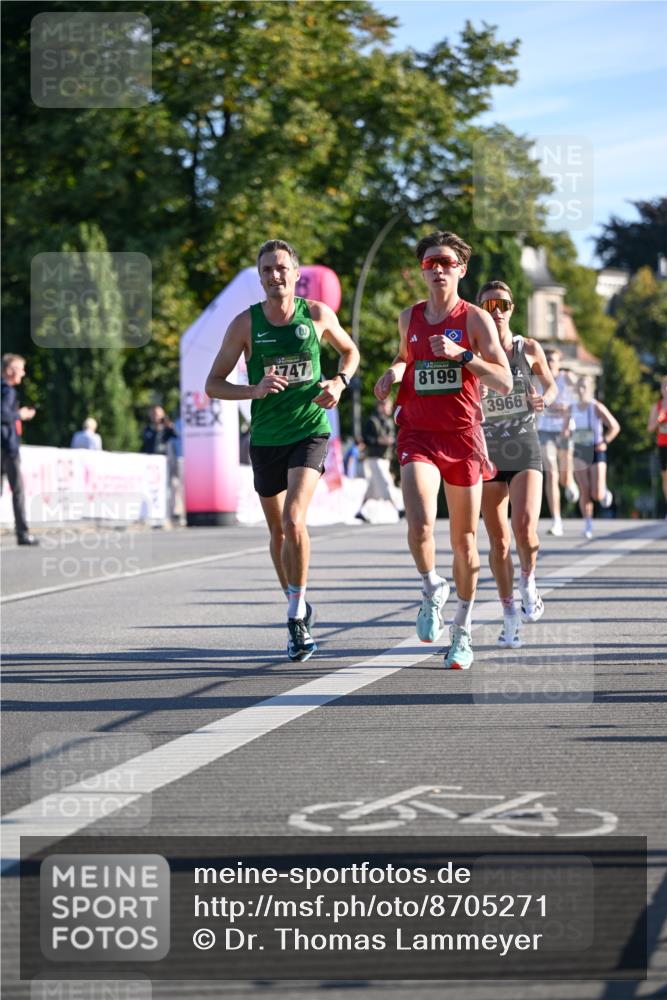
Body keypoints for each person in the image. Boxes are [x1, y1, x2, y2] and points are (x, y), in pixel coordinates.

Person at [205, 239, 359, 662]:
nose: (275, 276)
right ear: (261, 278)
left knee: (295, 520)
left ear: (295, 273)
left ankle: (295, 616)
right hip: (266, 438)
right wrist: (253, 389)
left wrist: (339, 382)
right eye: (267, 270)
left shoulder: (316, 315)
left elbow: (350, 351)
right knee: (277, 532)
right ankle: (297, 599)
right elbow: (212, 384)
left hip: (309, 430)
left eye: (281, 269)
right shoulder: (244, 324)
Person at [374, 230, 512, 670]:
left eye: (446, 262)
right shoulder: (408, 318)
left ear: (461, 269)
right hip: (418, 433)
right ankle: (431, 586)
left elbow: (504, 380)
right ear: (422, 270)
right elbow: (404, 356)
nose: (437, 269)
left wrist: (461, 355)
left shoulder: (475, 319)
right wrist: (394, 373)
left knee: (465, 540)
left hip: (463, 437)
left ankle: (463, 630)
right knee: (418, 526)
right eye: (430, 262)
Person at [477, 281, 557, 649]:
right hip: (488, 452)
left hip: (524, 447)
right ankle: (509, 615)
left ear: (512, 309)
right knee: (499, 542)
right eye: (489, 304)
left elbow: (551, 385)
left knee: (525, 531)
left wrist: (544, 397)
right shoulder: (472, 351)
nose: (497, 310)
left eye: (503, 304)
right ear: (479, 308)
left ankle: (529, 581)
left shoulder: (528, 348)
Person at [571, 375, 620, 539]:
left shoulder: (596, 407)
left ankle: (604, 492)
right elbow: (563, 429)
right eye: (579, 386)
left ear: (591, 389)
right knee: (584, 489)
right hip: (579, 449)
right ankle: (588, 523)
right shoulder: (572, 408)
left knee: (596, 494)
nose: (581, 390)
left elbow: (614, 426)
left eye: (584, 387)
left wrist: (605, 441)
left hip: (596, 448)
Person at [537, 348, 579, 536]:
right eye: (547, 359)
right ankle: (557, 520)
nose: (550, 362)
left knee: (564, 477)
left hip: (565, 430)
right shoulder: (538, 378)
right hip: (545, 429)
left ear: (559, 363)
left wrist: (565, 424)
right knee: (551, 473)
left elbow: (575, 403)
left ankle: (570, 483)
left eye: (553, 359)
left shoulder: (566, 378)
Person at [1, 353, 38, 545]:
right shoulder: (7, 391)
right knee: (18, 492)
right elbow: (3, 414)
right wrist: (19, 414)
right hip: (7, 448)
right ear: (9, 371)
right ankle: (22, 534)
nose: (23, 373)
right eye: (20, 369)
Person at [359, 398, 404, 516]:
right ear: (380, 406)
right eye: (386, 406)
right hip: (374, 457)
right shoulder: (372, 421)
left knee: (372, 489)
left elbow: (393, 440)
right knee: (386, 482)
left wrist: (391, 442)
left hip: (385, 458)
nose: (388, 408)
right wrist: (380, 441)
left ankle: (360, 511)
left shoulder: (389, 422)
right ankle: (398, 508)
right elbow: (366, 439)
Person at [647, 376, 667, 511]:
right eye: (663, 386)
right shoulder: (657, 406)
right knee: (666, 478)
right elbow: (649, 428)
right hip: (662, 445)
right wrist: (658, 422)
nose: (666, 389)